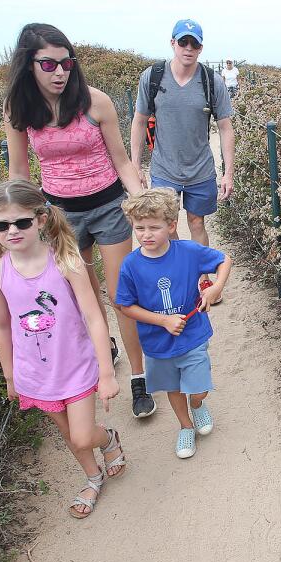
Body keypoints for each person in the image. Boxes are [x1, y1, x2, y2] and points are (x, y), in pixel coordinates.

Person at [3, 23, 153, 419]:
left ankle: (139, 377)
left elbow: (121, 160)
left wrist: (141, 204)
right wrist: (19, 224)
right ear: (28, 65)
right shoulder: (20, 112)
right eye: (48, 63)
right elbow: (20, 174)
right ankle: (106, 355)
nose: (59, 72)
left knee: (122, 294)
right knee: (80, 295)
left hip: (108, 206)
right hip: (60, 216)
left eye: (66, 62)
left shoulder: (96, 102)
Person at [0, 179, 126, 519]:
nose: (12, 230)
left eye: (21, 222)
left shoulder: (66, 261)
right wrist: (10, 375)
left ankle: (106, 439)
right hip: (34, 373)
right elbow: (1, 326)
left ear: (41, 219)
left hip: (75, 365)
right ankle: (92, 477)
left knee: (80, 436)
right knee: (67, 434)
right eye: (1, 225)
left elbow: (93, 316)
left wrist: (106, 372)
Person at [114, 188, 231, 459]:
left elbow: (224, 260)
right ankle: (185, 426)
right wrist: (162, 320)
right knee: (173, 388)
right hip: (157, 343)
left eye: (154, 227)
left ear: (170, 225)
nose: (146, 234)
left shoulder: (188, 251)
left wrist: (215, 288)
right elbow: (125, 305)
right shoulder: (130, 265)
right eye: (139, 227)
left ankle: (198, 405)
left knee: (199, 388)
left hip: (192, 334)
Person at [129, 19, 236, 254]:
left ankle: (202, 276)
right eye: (183, 42)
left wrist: (228, 173)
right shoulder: (152, 76)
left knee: (197, 222)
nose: (188, 48)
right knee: (167, 226)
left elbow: (226, 127)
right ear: (173, 43)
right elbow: (138, 121)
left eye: (194, 44)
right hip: (164, 168)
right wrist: (135, 166)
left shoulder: (212, 81)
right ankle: (181, 272)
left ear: (201, 48)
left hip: (200, 168)